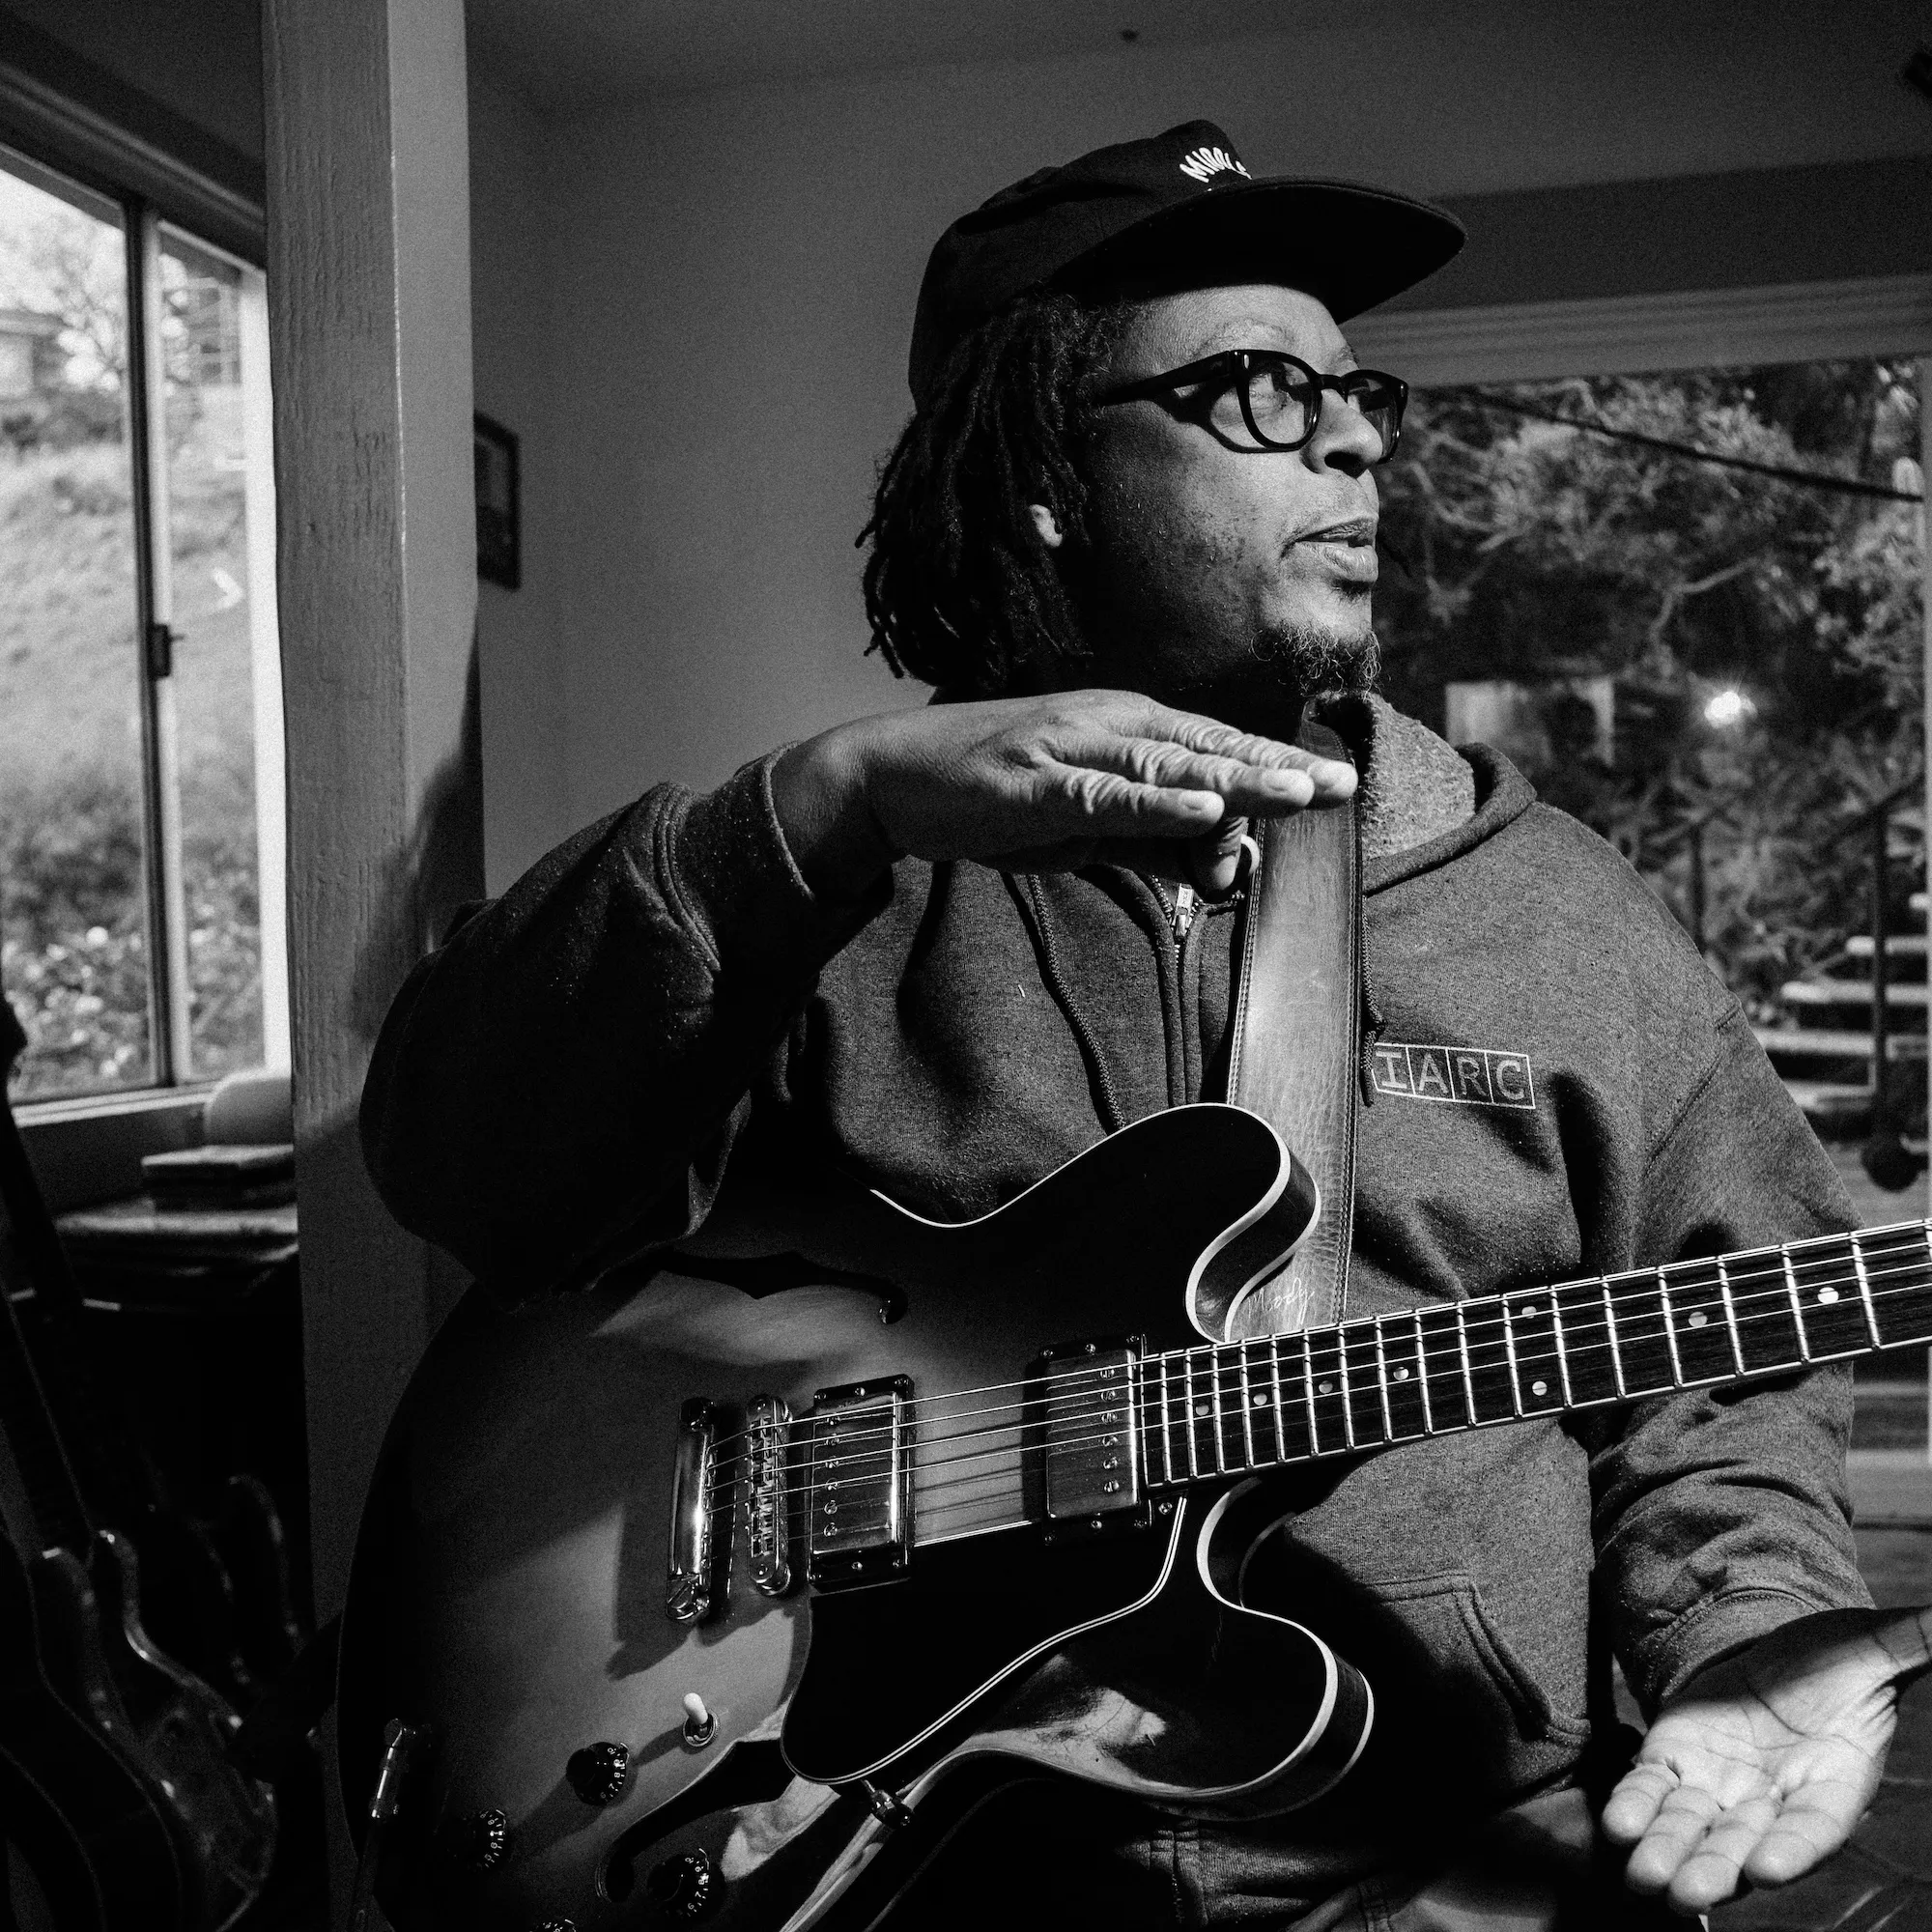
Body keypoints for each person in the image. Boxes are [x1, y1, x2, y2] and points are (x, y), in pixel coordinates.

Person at [361, 122, 1932, 1928]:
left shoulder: (1564, 914)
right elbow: (462, 1161)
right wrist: (812, 810)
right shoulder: (839, 889)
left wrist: (1758, 1623)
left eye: (1360, 394)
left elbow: (1729, 1369)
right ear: (1044, 474)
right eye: (1261, 391)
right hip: (887, 1856)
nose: (1354, 439)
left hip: (1445, 1867)